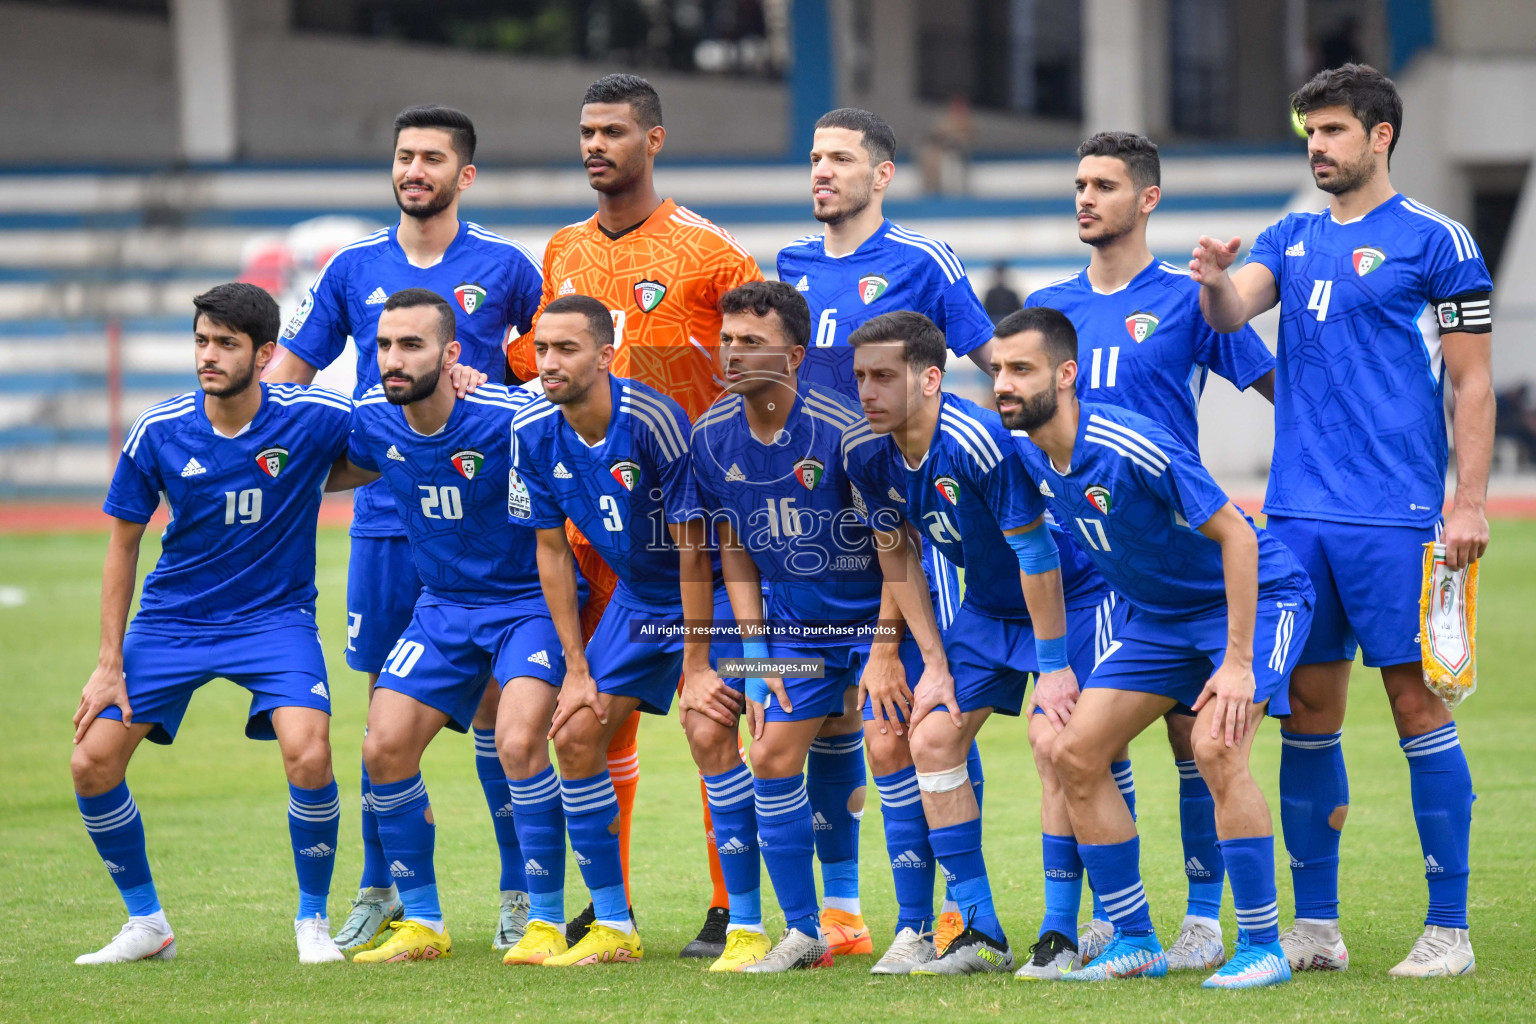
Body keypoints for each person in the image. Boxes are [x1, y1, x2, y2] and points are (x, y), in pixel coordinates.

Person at [1191, 63, 1491, 978]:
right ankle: (1315, 929)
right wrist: (1210, 280)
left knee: (1414, 702)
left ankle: (1450, 930)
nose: (1316, 147)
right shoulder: (1290, 234)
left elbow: (1473, 380)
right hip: (1293, 518)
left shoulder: (1439, 241)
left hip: (1396, 515)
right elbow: (1233, 307)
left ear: (1379, 135)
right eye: (1308, 133)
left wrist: (1469, 500)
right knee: (1308, 714)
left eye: (1331, 131)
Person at [264, 104, 545, 954]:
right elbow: (291, 371)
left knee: (502, 713)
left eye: (431, 158)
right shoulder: (352, 268)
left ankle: (516, 893)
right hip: (388, 519)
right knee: (388, 709)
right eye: (403, 157)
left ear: (464, 175)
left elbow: (545, 366)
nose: (413, 170)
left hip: (493, 527)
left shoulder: (504, 266)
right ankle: (383, 888)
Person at [505, 73, 765, 958]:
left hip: (703, 533)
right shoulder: (563, 249)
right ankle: (606, 911)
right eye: (586, 131)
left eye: (613, 131)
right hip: (601, 535)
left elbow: (760, 367)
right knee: (591, 724)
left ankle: (736, 907)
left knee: (712, 714)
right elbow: (542, 358)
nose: (594, 146)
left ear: (653, 141)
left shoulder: (709, 254)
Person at [996, 306, 1315, 989]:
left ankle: (1262, 945)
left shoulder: (1132, 443)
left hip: (1261, 598)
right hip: (1160, 619)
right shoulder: (1024, 451)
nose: (1003, 383)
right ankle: (1135, 939)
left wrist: (1235, 663)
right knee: (1074, 752)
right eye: (996, 369)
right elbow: (1035, 554)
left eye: (1020, 369)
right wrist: (1052, 669)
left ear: (1066, 375)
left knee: (1214, 747)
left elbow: (1237, 537)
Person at [1027, 130, 1278, 970]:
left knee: (1193, 740)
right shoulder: (1052, 310)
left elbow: (1276, 385)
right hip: (1090, 559)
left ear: (1148, 198)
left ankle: (1205, 916)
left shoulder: (1186, 298)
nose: (1085, 198)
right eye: (1079, 184)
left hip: (1181, 550)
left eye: (1103, 184)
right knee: (1074, 741)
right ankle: (1116, 922)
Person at [71, 283, 351, 965]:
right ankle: (147, 923)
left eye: (226, 343)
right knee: (90, 763)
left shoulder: (313, 416)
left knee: (309, 752)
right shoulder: (159, 430)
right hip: (172, 620)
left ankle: (312, 922)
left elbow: (395, 437)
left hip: (275, 620)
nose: (209, 355)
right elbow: (122, 544)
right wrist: (109, 662)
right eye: (202, 341)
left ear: (265, 355)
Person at [779, 109, 998, 949]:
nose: (822, 172)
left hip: (905, 516)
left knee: (923, 711)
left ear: (882, 175)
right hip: (817, 527)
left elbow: (984, 363)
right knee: (843, 724)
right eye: (814, 157)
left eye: (840, 157)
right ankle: (846, 918)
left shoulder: (923, 259)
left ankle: (957, 913)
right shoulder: (794, 263)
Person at [840, 310, 1108, 976]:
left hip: (1068, 601)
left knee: (1056, 744)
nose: (866, 392)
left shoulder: (979, 440)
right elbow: (895, 550)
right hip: (986, 610)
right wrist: (930, 661)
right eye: (860, 378)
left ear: (931, 379)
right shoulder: (865, 452)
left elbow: (1038, 554)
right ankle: (980, 932)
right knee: (930, 738)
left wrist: (1052, 668)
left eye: (882, 377)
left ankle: (1060, 931)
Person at [320, 288, 569, 963]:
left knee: (518, 743)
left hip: (525, 606)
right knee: (383, 746)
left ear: (452, 354)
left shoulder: (508, 416)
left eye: (412, 345)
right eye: (383, 346)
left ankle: (536, 911)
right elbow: (321, 458)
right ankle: (423, 922)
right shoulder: (373, 416)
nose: (392, 360)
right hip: (441, 608)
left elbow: (578, 413)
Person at [690, 280, 932, 972]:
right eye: (727, 341)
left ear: (794, 356)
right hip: (794, 630)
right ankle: (803, 934)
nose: (732, 356)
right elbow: (732, 548)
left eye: (752, 344)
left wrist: (884, 651)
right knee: (767, 754)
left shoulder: (847, 432)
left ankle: (915, 929)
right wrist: (758, 651)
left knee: (891, 747)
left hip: (878, 620)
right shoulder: (711, 434)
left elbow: (898, 546)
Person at [508, 294, 747, 968]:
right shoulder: (530, 429)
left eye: (566, 350)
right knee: (576, 733)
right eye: (542, 350)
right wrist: (576, 668)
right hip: (640, 598)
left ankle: (748, 922)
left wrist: (697, 665)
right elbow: (550, 552)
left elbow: (696, 546)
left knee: (708, 728)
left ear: (605, 355)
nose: (548, 363)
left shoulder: (652, 419)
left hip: (713, 593)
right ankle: (614, 925)